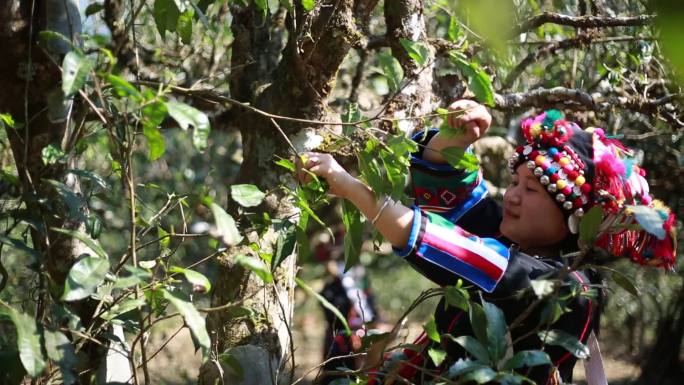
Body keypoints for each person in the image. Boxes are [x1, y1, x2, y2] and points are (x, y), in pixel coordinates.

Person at [296, 99, 677, 384]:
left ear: (575, 218)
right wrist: (454, 140)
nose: (511, 196)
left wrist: (350, 188)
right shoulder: (516, 240)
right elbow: (456, 198)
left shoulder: (563, 286)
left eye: (531, 190)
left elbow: (433, 236)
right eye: (514, 182)